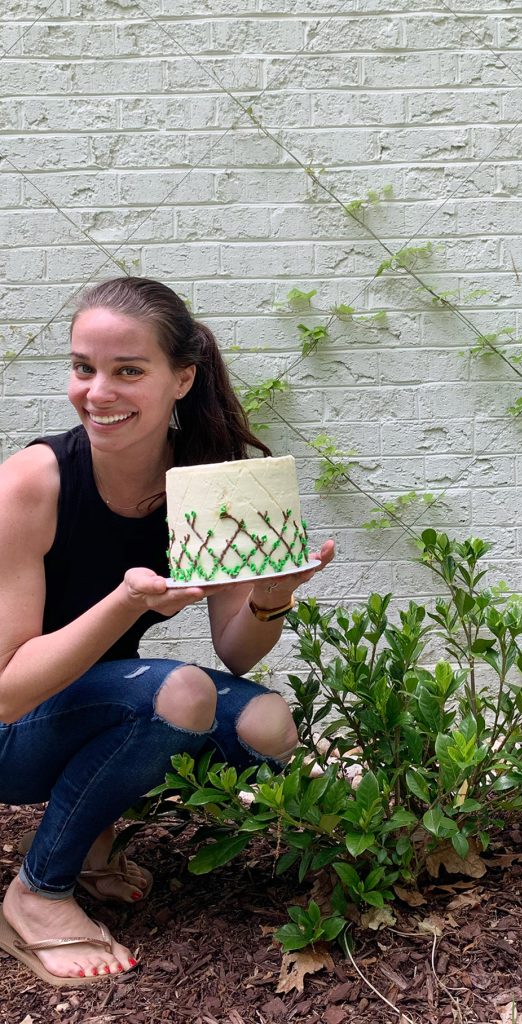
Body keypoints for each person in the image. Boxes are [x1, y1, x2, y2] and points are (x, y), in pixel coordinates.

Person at [0, 277, 334, 986]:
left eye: (128, 371)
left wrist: (271, 598)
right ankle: (36, 893)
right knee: (179, 693)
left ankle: (91, 843)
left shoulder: (207, 482)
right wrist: (126, 603)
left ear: (181, 378)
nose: (98, 392)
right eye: (83, 368)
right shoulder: (33, 482)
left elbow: (237, 652)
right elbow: (5, 694)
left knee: (269, 728)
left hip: (88, 704)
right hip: (12, 733)